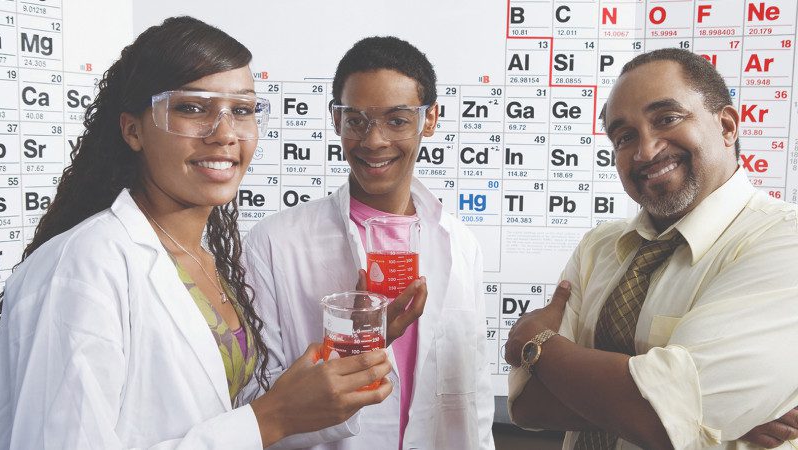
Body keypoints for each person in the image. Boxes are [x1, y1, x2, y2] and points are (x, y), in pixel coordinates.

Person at [0, 16, 393, 449]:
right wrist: (270, 418)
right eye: (192, 108)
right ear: (132, 129)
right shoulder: (81, 268)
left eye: (241, 110)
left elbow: (218, 418)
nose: (224, 134)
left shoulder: (205, 259)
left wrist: (317, 393)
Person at [504, 47, 798, 449]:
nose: (645, 151)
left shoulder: (784, 240)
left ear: (727, 126)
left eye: (667, 119)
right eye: (624, 136)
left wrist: (536, 346)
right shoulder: (599, 247)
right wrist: (696, 417)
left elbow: (656, 416)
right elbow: (529, 405)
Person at [242, 36, 495, 449]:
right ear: (336, 120)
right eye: (356, 119)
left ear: (429, 120)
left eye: (397, 120)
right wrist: (353, 343)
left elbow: (476, 395)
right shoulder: (274, 243)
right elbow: (259, 404)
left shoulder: (461, 244)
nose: (373, 141)